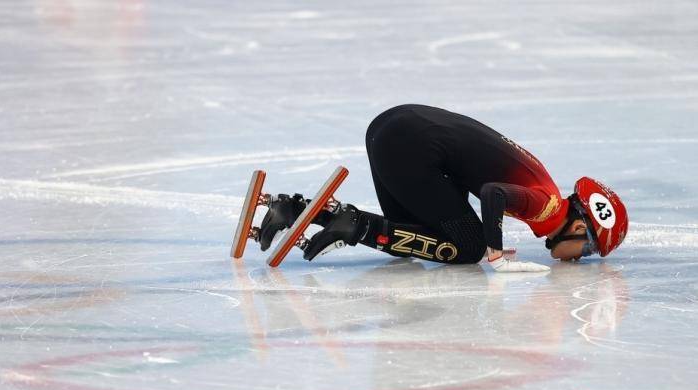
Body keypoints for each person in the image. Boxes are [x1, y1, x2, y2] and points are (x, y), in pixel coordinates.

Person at [259, 104, 628, 272]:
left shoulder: (543, 187)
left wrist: (488, 234)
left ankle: (293, 210)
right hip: (408, 143)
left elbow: (477, 180)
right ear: (580, 226)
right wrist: (493, 251)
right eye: (589, 247)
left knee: (410, 236)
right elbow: (492, 196)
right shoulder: (546, 205)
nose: (581, 256)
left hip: (392, 127)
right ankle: (353, 225)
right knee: (467, 249)